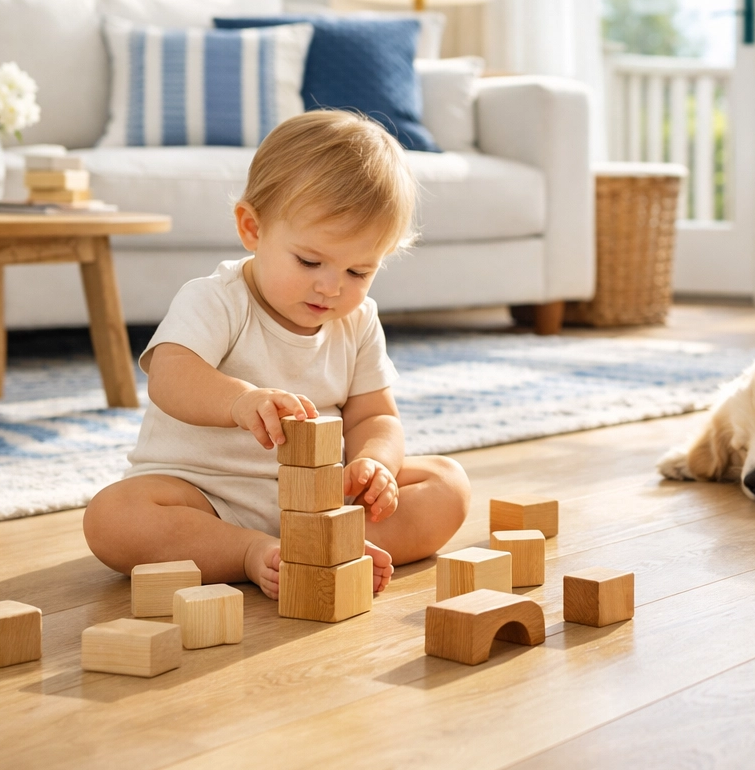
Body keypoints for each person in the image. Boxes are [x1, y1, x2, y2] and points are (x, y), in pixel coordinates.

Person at [83, 111, 471, 598]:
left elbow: (377, 416)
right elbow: (169, 376)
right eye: (310, 261)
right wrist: (239, 401)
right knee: (113, 518)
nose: (331, 287)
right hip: (207, 497)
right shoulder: (217, 299)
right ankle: (249, 551)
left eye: (359, 272)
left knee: (447, 483)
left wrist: (376, 465)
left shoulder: (357, 320)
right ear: (253, 228)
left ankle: (330, 544)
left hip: (322, 500)